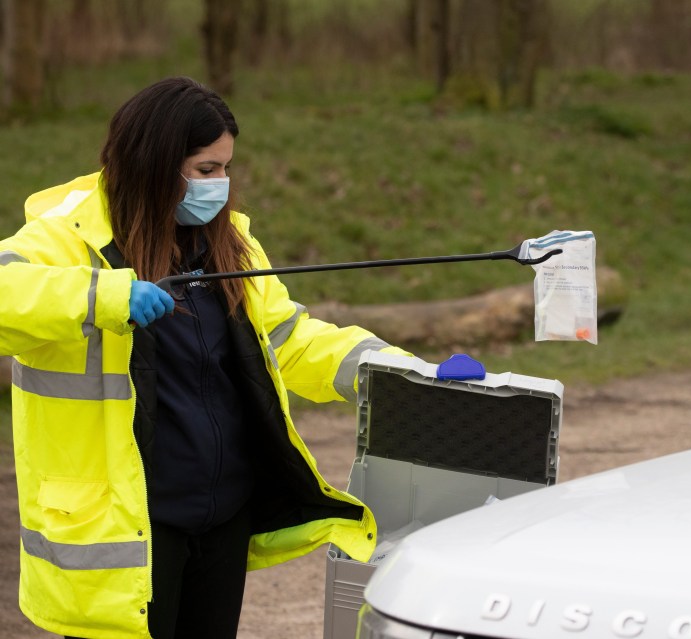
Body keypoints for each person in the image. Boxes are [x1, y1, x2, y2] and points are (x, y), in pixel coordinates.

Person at [0, 76, 410, 639]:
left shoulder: (226, 243)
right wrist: (100, 297)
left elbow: (289, 338)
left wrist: (393, 373)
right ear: (153, 164)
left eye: (226, 168)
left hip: (222, 517)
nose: (221, 184)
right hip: (126, 526)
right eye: (206, 170)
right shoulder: (66, 238)